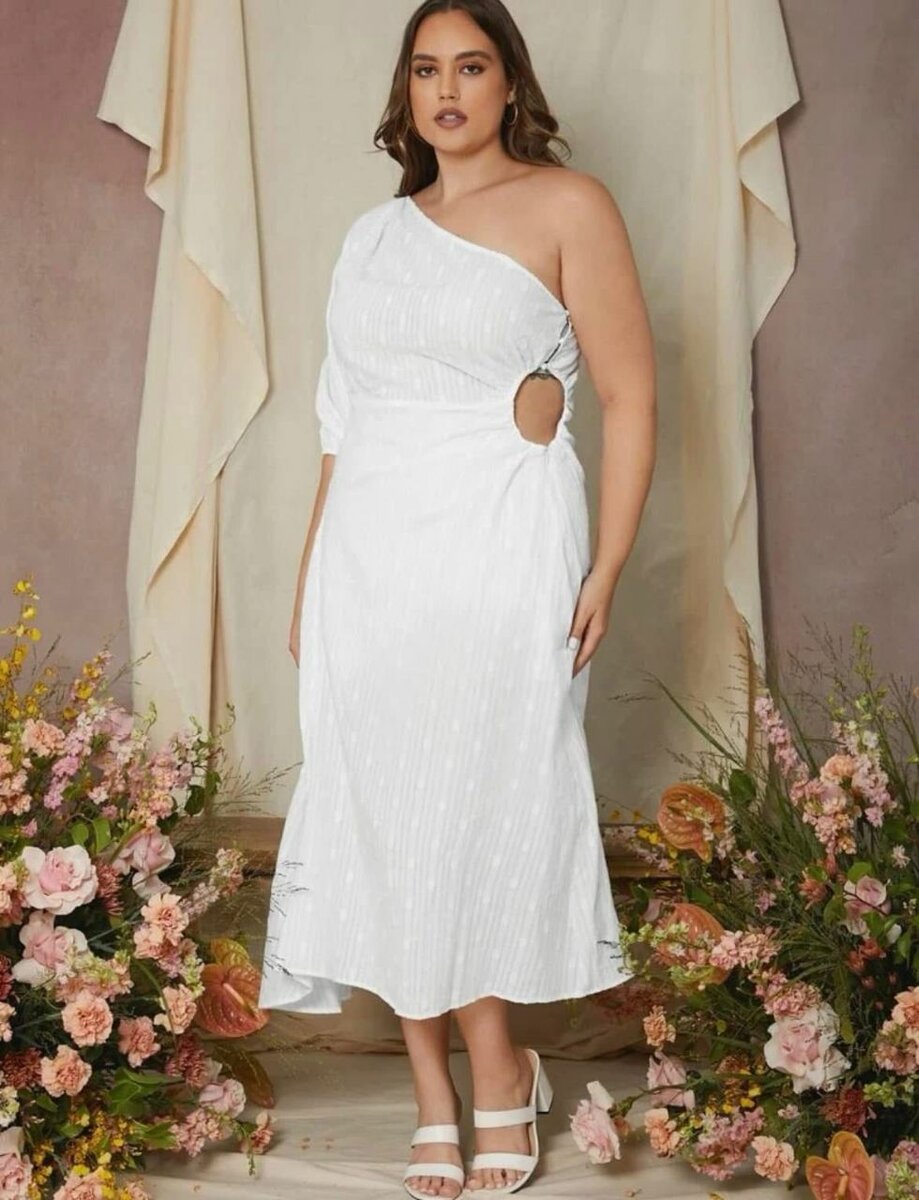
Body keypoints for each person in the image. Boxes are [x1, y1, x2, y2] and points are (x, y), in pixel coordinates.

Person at [257, 0, 656, 1195]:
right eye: (425, 69)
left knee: (477, 796)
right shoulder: (372, 239)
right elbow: (342, 428)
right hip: (370, 553)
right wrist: (311, 579)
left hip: (503, 539)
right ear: (407, 93)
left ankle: (498, 1065)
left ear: (507, 84)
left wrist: (606, 567)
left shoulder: (568, 205)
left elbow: (630, 396)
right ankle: (440, 1086)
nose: (446, 90)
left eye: (470, 67)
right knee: (384, 804)